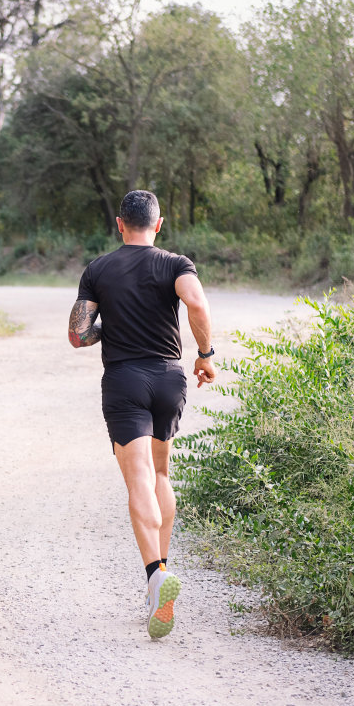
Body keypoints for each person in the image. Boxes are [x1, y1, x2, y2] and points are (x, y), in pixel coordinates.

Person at [67, 190, 215, 640]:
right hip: (170, 379)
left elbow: (77, 335)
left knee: (138, 481)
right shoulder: (176, 264)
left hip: (125, 381)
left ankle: (155, 576)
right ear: (159, 223)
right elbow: (196, 304)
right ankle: (161, 574)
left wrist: (105, 327)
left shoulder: (98, 270)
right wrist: (206, 354)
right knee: (160, 474)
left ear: (119, 224)